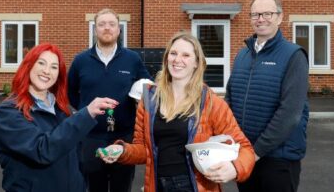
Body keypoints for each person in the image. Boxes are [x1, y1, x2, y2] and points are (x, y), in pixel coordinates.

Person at [100, 32, 255, 192]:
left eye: (186, 55)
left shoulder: (211, 102)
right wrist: (122, 150)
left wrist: (235, 168)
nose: (177, 60)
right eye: (173, 53)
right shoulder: (149, 100)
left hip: (194, 186)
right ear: (167, 58)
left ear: (196, 62)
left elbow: (244, 148)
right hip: (157, 184)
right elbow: (144, 150)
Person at [0, 43, 118, 192]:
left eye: (54, 67)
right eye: (41, 63)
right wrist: (87, 113)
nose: (47, 71)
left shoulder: (63, 109)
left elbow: (72, 150)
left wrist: (103, 152)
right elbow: (43, 150)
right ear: (28, 66)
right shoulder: (9, 112)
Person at [226, 0, 310, 192]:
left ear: (280, 17)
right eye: (255, 14)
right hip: (244, 153)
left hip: (278, 159)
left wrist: (257, 151)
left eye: (267, 13)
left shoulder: (294, 55)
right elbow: (230, 99)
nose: (260, 19)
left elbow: (290, 113)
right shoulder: (242, 55)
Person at [67, 8, 152, 192]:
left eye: (112, 24)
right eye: (102, 24)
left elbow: (146, 89)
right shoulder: (81, 60)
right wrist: (86, 111)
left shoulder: (132, 59)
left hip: (123, 138)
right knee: (92, 187)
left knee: (121, 187)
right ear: (95, 29)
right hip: (90, 137)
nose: (107, 28)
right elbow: (70, 92)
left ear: (119, 30)